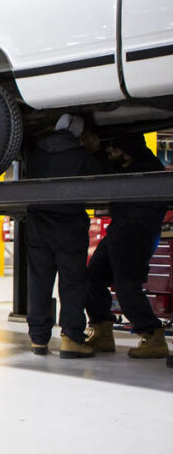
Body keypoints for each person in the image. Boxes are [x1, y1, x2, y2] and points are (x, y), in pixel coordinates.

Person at [22, 115, 102, 358]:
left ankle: (38, 339)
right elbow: (102, 179)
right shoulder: (82, 156)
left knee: (39, 282)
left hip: (38, 224)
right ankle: (71, 338)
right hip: (69, 226)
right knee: (72, 282)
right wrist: (93, 150)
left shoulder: (34, 150)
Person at [84, 133, 170, 360]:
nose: (110, 152)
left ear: (128, 151)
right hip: (120, 230)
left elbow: (108, 173)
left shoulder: (145, 169)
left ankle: (152, 334)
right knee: (92, 276)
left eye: (114, 149)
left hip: (135, 234)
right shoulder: (131, 163)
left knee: (126, 287)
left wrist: (93, 151)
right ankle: (102, 330)